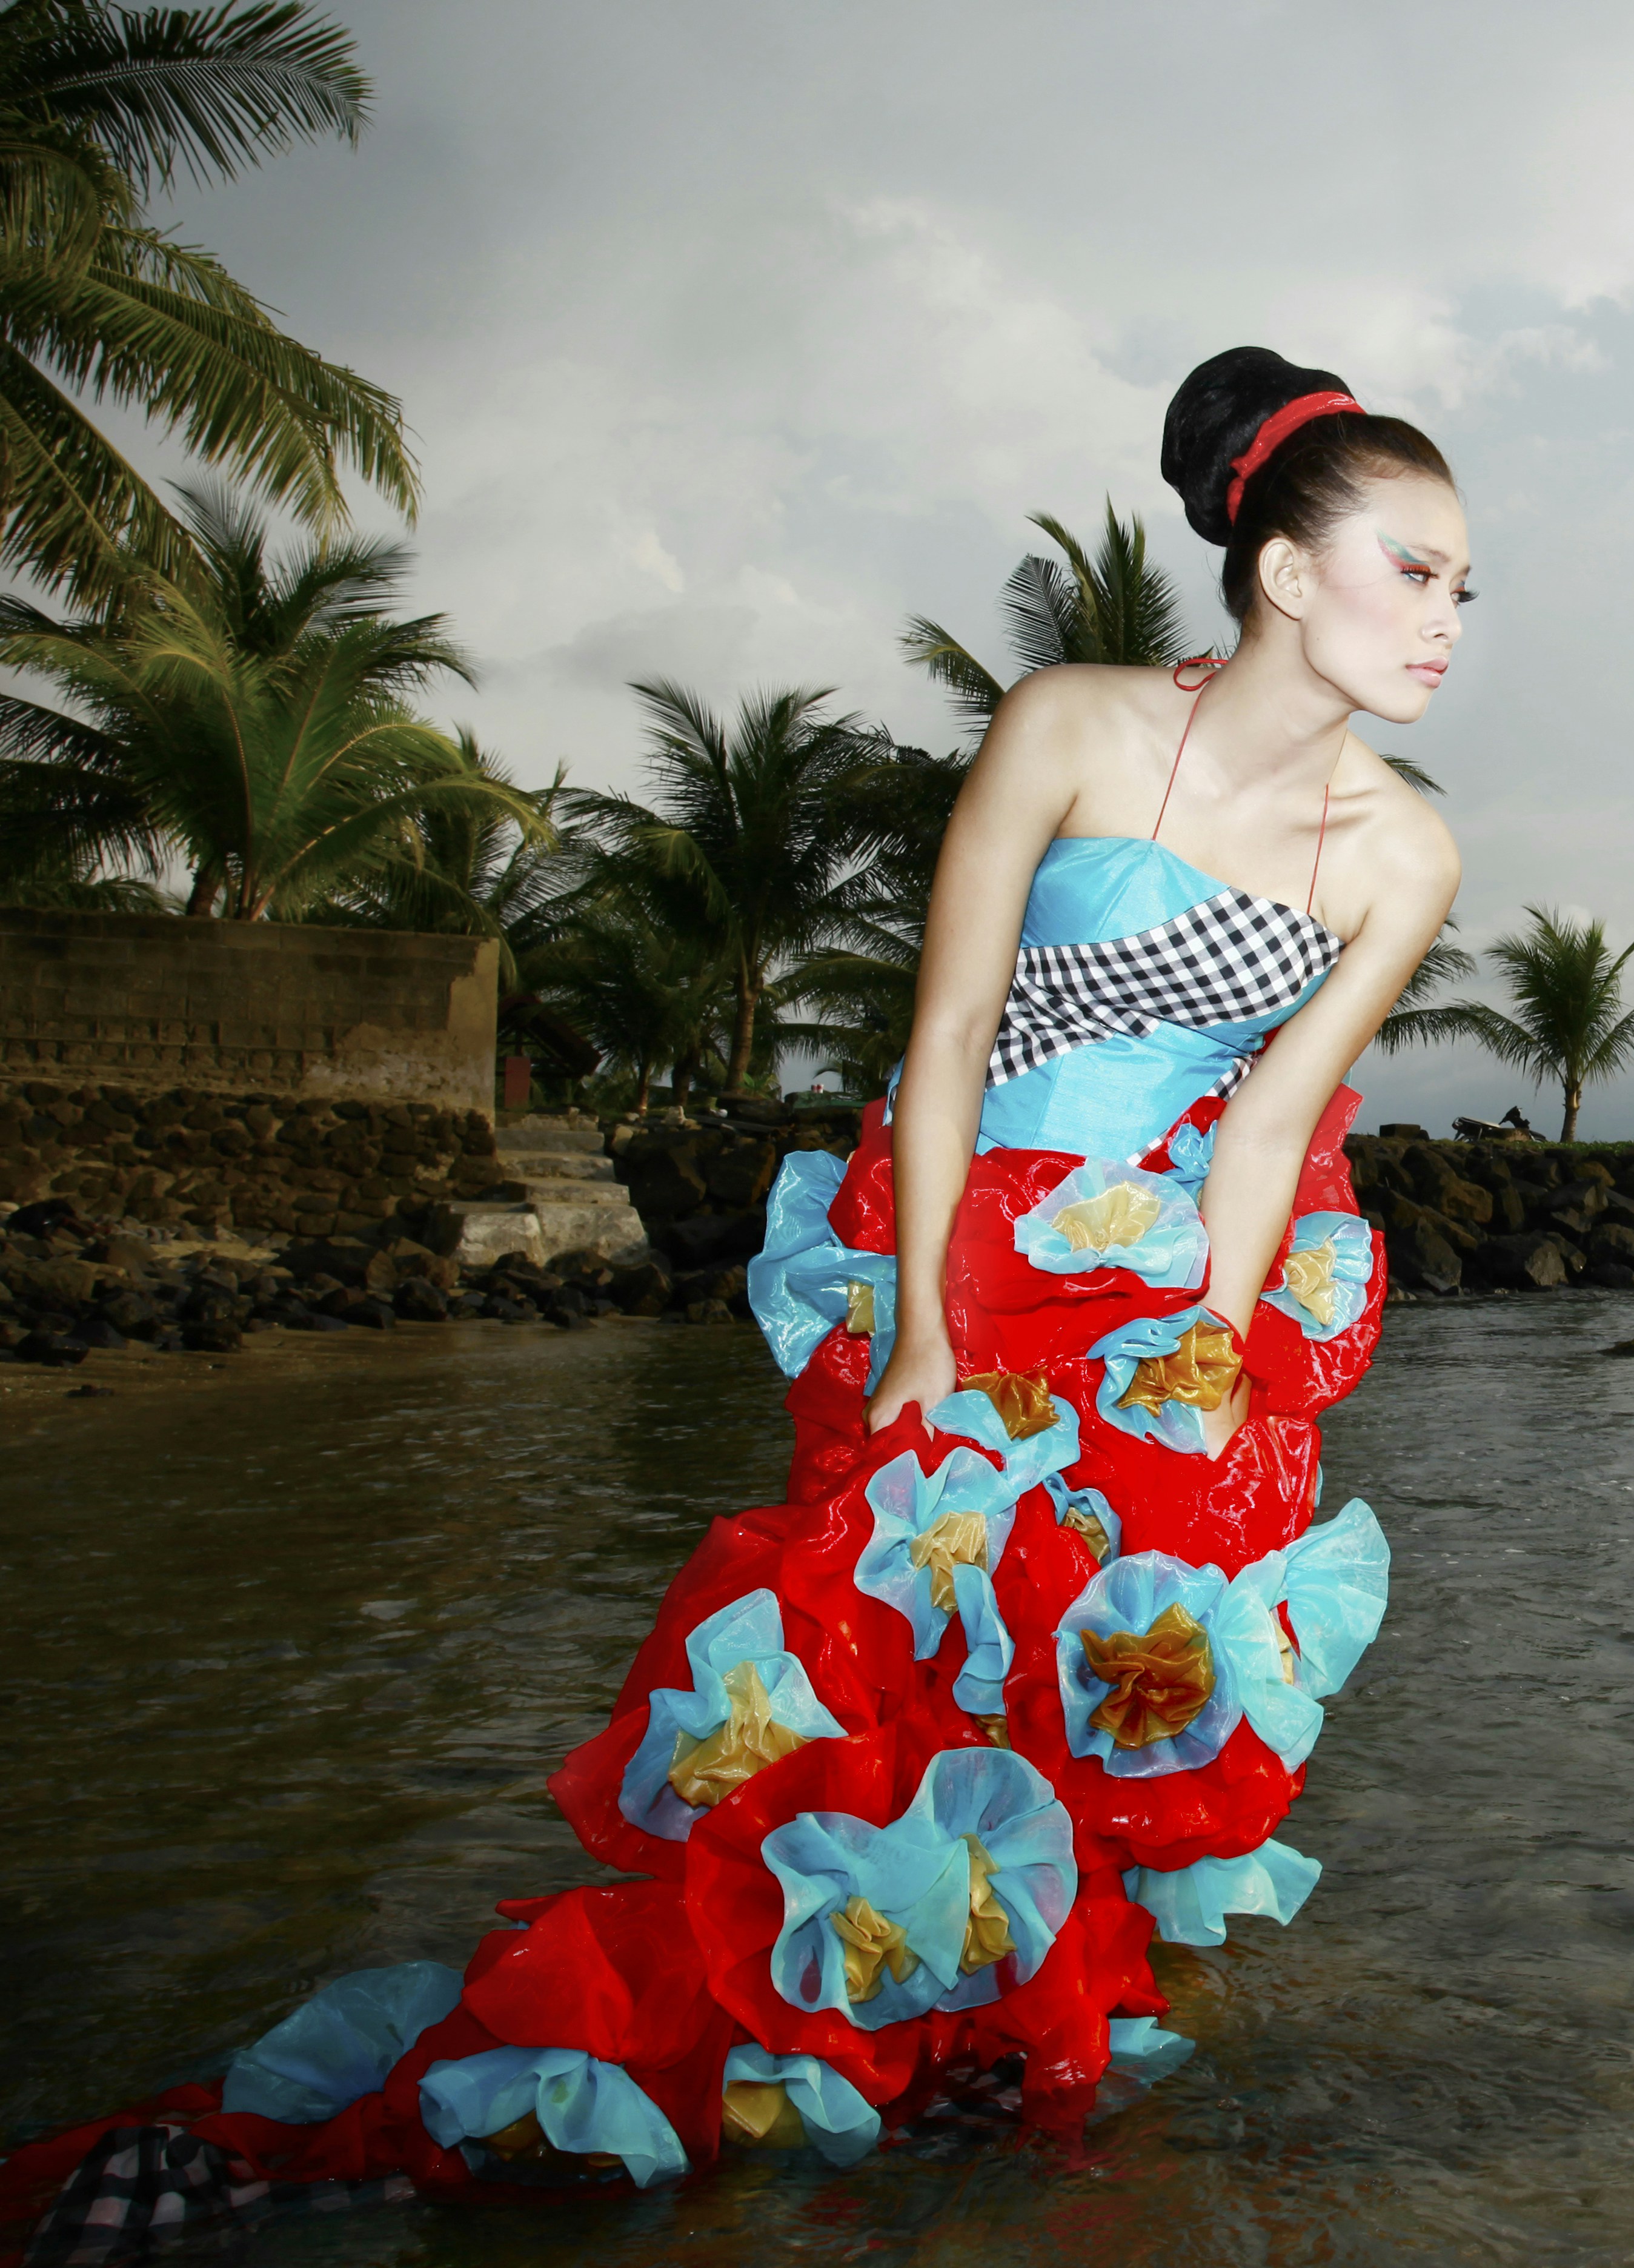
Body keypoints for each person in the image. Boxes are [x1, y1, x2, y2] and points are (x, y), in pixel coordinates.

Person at [1, 348, 1466, 2247]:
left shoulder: (1409, 850)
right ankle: (495, 2113)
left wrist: (1209, 1362)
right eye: (1417, 570)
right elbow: (941, 1039)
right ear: (1286, 575)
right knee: (867, 1683)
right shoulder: (1077, 727)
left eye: (1461, 587)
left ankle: (993, 2071)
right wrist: (926, 1334)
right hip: (960, 1258)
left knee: (1097, 1705)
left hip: (1167, 1307)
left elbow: (1270, 1129)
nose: (1447, 620)